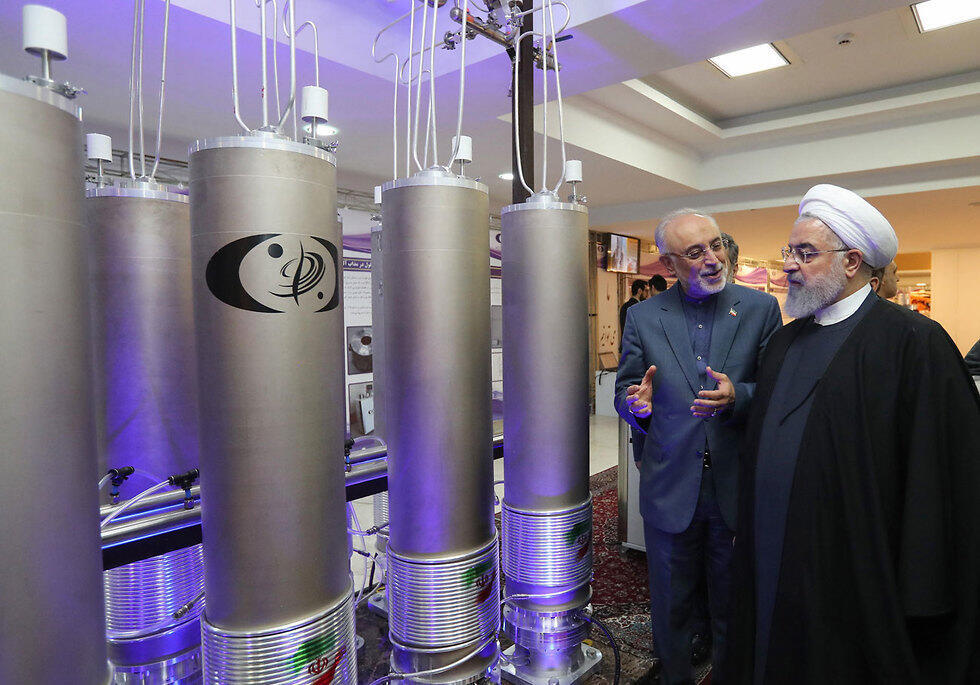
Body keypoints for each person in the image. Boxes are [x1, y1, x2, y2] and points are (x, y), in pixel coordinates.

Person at [727, 184, 980, 684]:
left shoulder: (914, 342)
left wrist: (921, 589)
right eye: (789, 251)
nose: (789, 265)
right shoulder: (784, 342)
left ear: (851, 262)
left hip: (857, 569)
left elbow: (942, 480)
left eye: (805, 253)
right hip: (772, 549)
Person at [616, 209, 782, 685]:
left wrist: (738, 397)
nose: (713, 258)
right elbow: (627, 389)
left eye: (716, 245)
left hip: (733, 484)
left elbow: (775, 389)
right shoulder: (644, 316)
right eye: (695, 252)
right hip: (670, 485)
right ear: (668, 264)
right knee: (670, 604)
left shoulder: (760, 309)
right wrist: (636, 406)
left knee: (732, 602)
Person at [619, 279, 650, 348]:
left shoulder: (624, 306)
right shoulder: (639, 308)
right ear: (640, 291)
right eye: (646, 291)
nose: (647, 294)